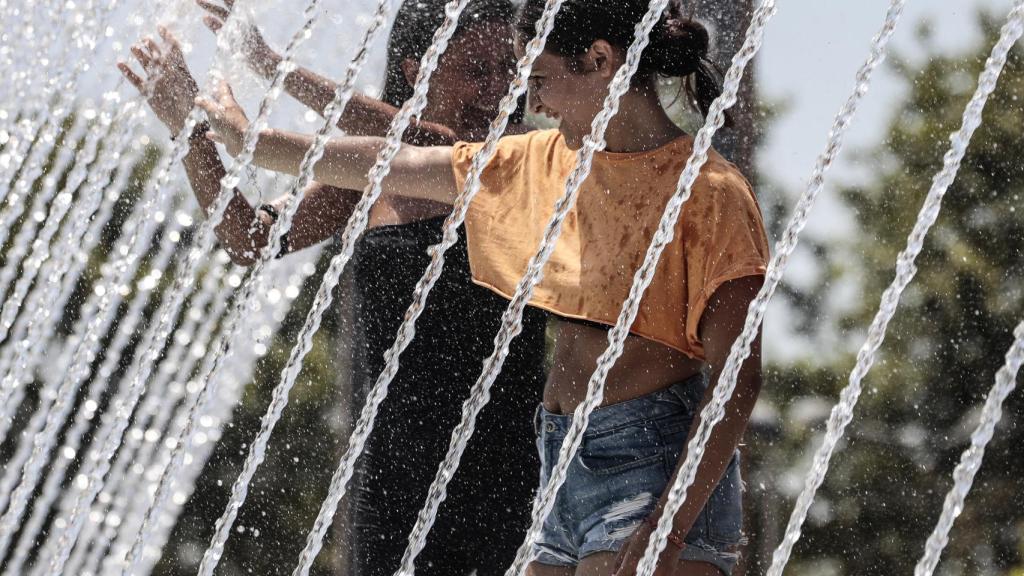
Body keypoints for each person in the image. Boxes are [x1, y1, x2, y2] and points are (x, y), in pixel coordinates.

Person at [197, 0, 771, 574]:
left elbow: (737, 381)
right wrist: (253, 142)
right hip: (559, 459)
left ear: (600, 60)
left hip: (651, 461)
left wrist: (670, 526)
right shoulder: (550, 162)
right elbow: (392, 161)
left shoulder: (710, 193)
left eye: (539, 78)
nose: (533, 102)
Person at [117, 1, 548, 576]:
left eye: (508, 69)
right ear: (416, 69)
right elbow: (251, 238)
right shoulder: (369, 176)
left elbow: (425, 138)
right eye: (477, 70)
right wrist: (190, 129)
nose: (498, 88)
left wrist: (272, 65)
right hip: (391, 471)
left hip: (510, 465)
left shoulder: (523, 158)